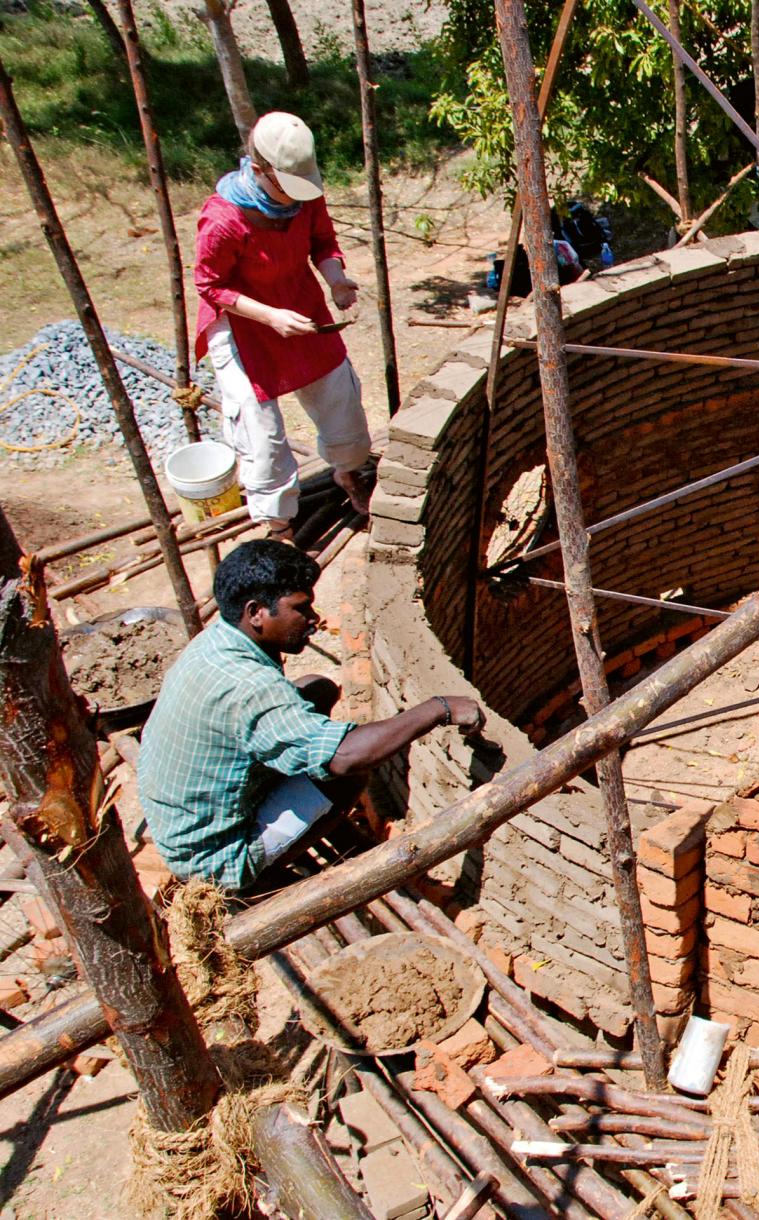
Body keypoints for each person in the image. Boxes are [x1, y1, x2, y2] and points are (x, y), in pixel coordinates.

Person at [138, 540, 485, 893]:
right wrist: (438, 708)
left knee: (317, 689)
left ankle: (303, 814)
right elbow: (345, 757)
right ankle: (261, 875)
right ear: (256, 612)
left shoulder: (218, 640)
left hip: (186, 815)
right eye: (300, 608)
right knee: (348, 777)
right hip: (215, 856)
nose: (313, 619)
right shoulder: (249, 688)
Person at [194, 112, 374, 541]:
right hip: (245, 323)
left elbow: (323, 243)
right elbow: (210, 285)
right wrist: (270, 317)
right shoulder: (223, 220)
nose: (296, 197)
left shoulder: (305, 198)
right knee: (261, 432)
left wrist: (335, 280)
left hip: (298, 303)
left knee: (340, 398)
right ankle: (278, 524)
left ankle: (349, 472)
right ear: (260, 170)